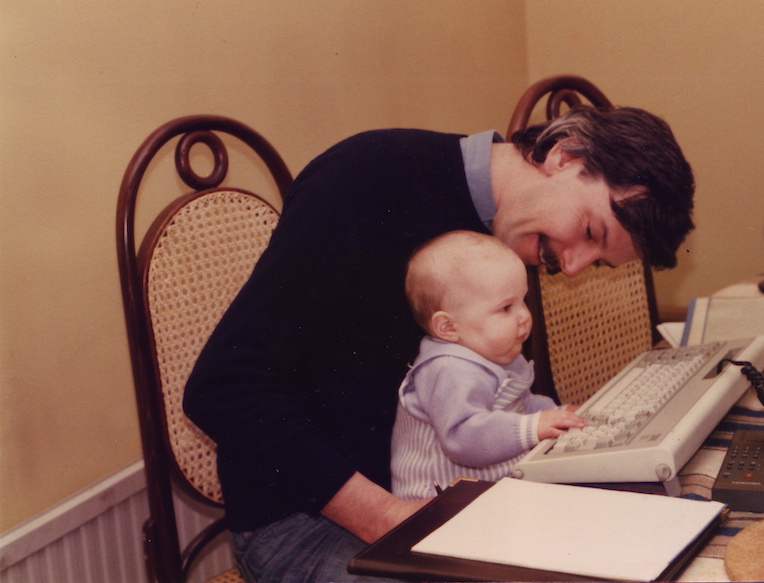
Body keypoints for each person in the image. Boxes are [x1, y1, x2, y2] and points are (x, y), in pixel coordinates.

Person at [183, 105, 694, 582]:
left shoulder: (511, 229)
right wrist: (385, 516)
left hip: (442, 497)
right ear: (565, 155)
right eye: (588, 230)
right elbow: (223, 386)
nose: (574, 266)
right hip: (309, 520)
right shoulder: (366, 178)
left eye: (598, 260)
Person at [391, 231, 584, 500]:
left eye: (523, 301)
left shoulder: (497, 351)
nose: (524, 317)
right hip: (437, 506)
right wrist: (533, 427)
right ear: (448, 327)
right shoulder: (448, 370)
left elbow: (520, 405)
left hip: (487, 493)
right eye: (506, 308)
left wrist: (559, 414)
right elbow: (464, 438)